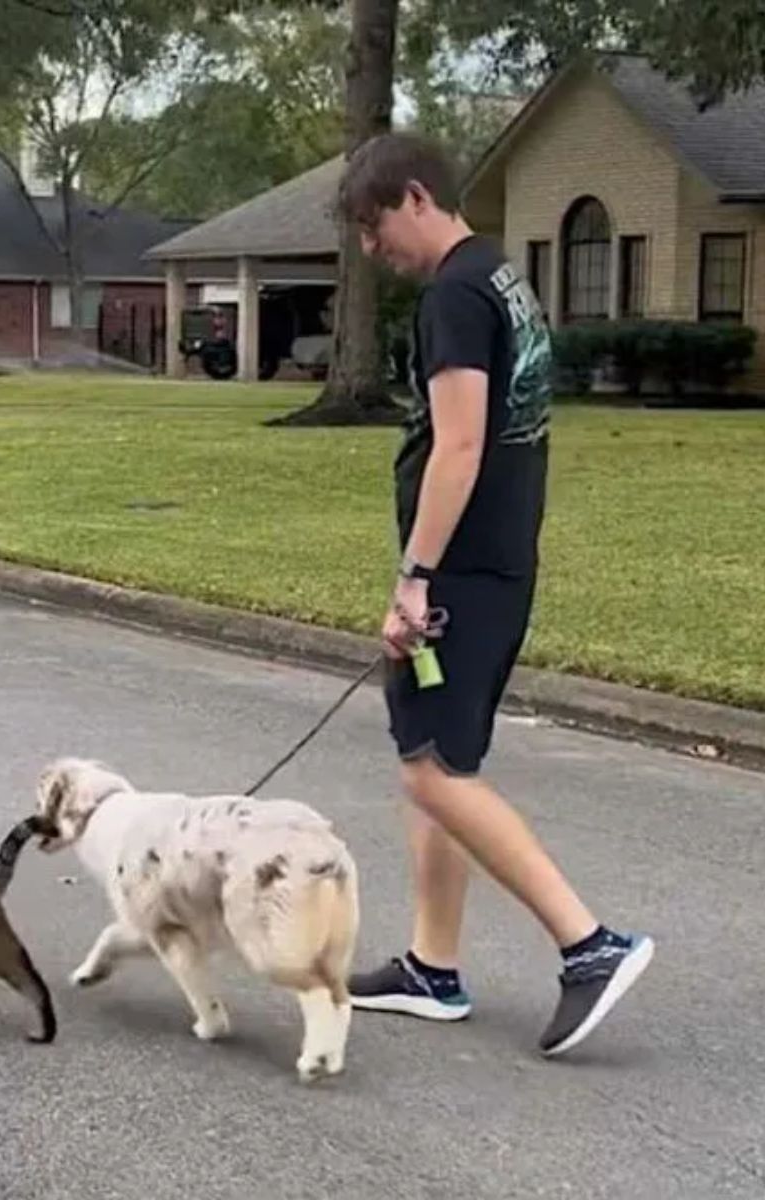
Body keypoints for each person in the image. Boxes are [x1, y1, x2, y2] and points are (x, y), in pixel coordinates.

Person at [342, 131, 653, 1057]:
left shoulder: (454, 296)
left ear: (413, 201)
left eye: (371, 227)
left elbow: (462, 444)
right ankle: (431, 967)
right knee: (437, 759)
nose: (370, 250)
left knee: (430, 769)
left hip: (464, 574)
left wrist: (414, 577)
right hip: (500, 562)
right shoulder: (497, 277)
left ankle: (589, 945)